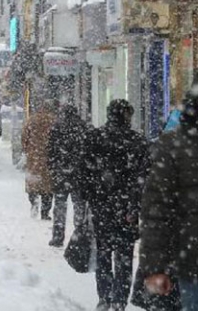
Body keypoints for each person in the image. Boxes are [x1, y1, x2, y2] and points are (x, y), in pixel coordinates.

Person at [80, 100, 149, 311]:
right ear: (127, 116)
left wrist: (90, 197)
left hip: (102, 206)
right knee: (124, 257)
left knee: (103, 252)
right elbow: (144, 177)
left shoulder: (95, 138)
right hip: (126, 209)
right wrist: (135, 205)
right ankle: (119, 300)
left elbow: (84, 172)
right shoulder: (137, 142)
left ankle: (104, 297)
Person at [140, 89, 198, 311]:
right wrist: (156, 266)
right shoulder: (175, 145)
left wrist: (155, 266)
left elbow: (157, 209)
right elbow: (157, 209)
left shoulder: (173, 145)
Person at [46, 105, 88, 247]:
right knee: (79, 206)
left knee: (59, 205)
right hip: (78, 174)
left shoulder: (57, 128)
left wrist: (53, 168)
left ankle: (58, 236)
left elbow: (50, 151)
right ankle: (79, 234)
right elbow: (87, 152)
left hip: (61, 174)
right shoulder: (83, 128)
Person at [22, 102, 56, 220]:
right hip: (48, 157)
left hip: (33, 158)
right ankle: (45, 212)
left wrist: (29, 150)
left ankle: (34, 202)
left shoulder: (31, 120)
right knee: (48, 187)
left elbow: (24, 138)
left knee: (33, 183)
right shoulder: (53, 121)